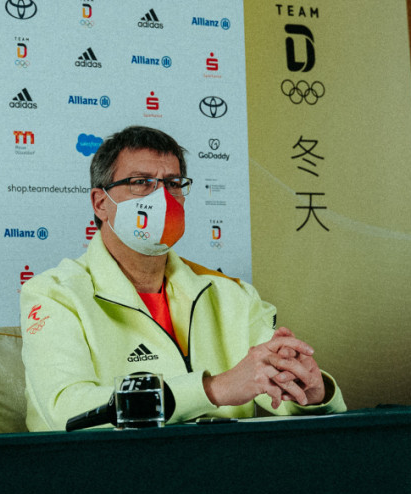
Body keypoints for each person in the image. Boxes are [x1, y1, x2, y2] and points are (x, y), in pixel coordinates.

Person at [19, 126, 345, 431]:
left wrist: (310, 392)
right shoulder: (53, 294)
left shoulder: (231, 294)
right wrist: (213, 390)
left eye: (173, 183)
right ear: (101, 202)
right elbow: (67, 410)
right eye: (141, 181)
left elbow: (282, 395)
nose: (162, 197)